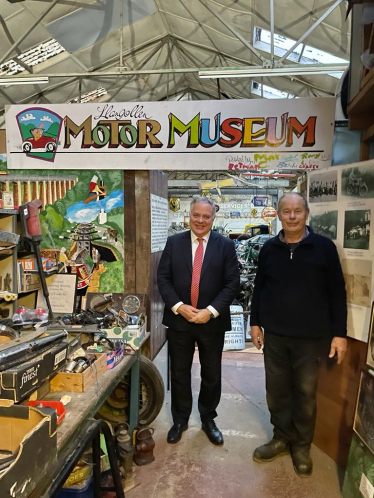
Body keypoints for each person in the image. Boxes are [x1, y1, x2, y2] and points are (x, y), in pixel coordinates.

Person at [250, 192, 347, 477]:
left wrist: (339, 334)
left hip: (311, 338)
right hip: (276, 336)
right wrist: (255, 323)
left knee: (304, 393)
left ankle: (301, 445)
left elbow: (337, 294)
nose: (292, 216)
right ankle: (281, 437)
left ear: (306, 214)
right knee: (276, 392)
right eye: (286, 211)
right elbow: (259, 289)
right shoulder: (268, 248)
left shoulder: (324, 247)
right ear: (278, 215)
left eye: (297, 211)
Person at [157, 196, 240, 446]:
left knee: (211, 373)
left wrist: (211, 311)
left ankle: (208, 418)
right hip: (180, 320)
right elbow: (163, 279)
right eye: (196, 215)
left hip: (211, 322)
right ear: (189, 216)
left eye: (206, 216)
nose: (200, 220)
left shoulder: (225, 245)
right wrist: (179, 307)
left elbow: (232, 283)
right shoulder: (174, 243)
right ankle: (180, 420)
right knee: (180, 373)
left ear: (213, 218)